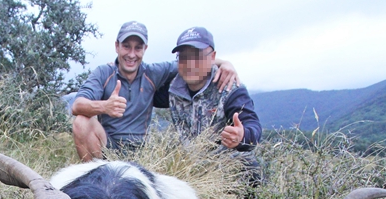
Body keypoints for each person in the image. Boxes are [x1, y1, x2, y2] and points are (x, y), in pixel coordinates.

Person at [71, 21, 239, 161]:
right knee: (81, 122)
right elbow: (77, 105)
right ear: (117, 46)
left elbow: (191, 63)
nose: (131, 54)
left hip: (140, 152)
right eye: (126, 47)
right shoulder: (103, 73)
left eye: (138, 48)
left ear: (145, 49)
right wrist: (105, 107)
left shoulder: (153, 72)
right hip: (108, 145)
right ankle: (95, 177)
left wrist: (224, 63)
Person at [164, 26, 262, 182]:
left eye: (197, 56)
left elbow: (252, 125)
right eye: (184, 57)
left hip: (226, 174)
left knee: (249, 165)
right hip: (190, 170)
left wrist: (242, 136)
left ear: (212, 57)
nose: (190, 64)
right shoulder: (172, 87)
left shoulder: (229, 87)